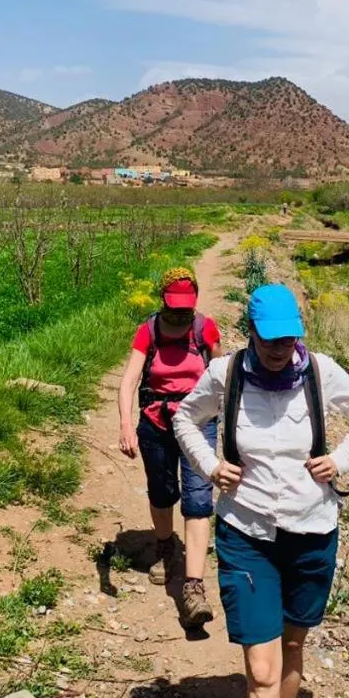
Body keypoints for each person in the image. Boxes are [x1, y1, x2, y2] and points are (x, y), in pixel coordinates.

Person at [174, 284, 349, 698]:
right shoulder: (225, 374)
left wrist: (342, 460)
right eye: (269, 340)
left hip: (311, 530)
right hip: (245, 533)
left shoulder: (318, 371)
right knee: (262, 671)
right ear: (250, 333)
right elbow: (186, 418)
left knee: (293, 644)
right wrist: (209, 464)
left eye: (288, 339)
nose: (278, 349)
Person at [118, 266, 222, 628]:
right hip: (156, 422)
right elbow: (130, 380)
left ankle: (193, 588)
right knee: (162, 493)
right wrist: (126, 425)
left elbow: (219, 376)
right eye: (174, 305)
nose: (180, 312)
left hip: (197, 423)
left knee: (197, 499)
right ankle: (165, 548)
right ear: (162, 300)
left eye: (186, 305)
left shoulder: (203, 328)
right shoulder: (148, 331)